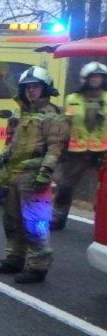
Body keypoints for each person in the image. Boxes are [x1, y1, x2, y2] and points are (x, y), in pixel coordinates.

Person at [0, 66, 68, 284]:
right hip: (14, 174)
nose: (31, 90)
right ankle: (14, 258)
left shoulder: (53, 115)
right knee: (11, 220)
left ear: (45, 88)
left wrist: (45, 173)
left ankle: (37, 266)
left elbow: (55, 148)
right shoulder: (22, 114)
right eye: (27, 87)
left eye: (35, 86)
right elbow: (12, 144)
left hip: (34, 175)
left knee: (35, 222)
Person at [51, 61, 107, 230]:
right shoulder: (73, 99)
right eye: (93, 77)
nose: (96, 80)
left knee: (104, 190)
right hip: (77, 151)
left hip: (102, 151)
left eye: (99, 77)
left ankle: (102, 224)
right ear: (85, 78)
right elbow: (67, 123)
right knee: (65, 187)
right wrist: (61, 145)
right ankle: (58, 218)